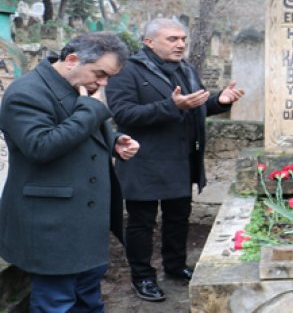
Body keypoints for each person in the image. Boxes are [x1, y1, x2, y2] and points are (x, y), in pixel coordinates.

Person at [106, 18, 245, 302]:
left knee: (178, 218)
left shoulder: (186, 68)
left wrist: (221, 101)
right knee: (142, 223)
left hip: (181, 159)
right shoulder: (127, 71)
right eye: (172, 39)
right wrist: (171, 106)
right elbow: (123, 114)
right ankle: (142, 277)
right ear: (149, 41)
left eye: (182, 38)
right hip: (142, 159)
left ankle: (175, 266)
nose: (180, 44)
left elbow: (194, 107)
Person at [0, 32, 139, 311]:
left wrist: (112, 143)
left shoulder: (80, 85)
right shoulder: (25, 93)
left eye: (109, 77)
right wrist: (91, 110)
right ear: (72, 60)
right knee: (56, 303)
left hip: (87, 222)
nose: (103, 83)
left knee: (88, 299)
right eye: (100, 73)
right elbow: (40, 145)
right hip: (51, 224)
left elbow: (79, 126)